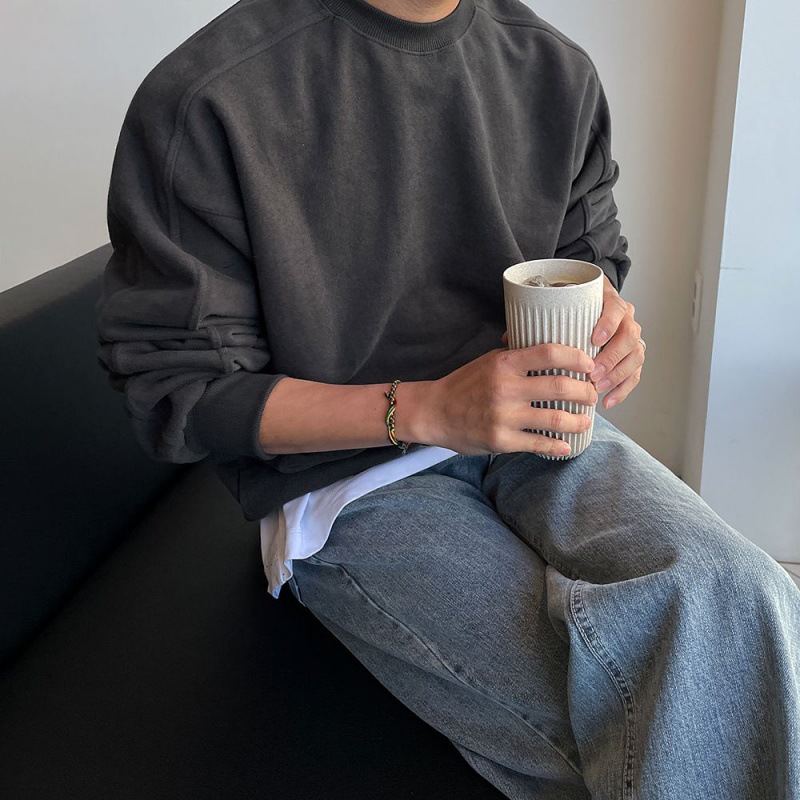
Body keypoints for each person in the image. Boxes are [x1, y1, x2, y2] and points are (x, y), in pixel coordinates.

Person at [95, 0, 800, 797]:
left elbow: (587, 253)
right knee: (671, 719)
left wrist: (607, 323)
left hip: (536, 431)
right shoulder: (210, 96)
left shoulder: (553, 70)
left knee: (745, 596)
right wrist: (427, 409)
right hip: (345, 475)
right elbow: (182, 393)